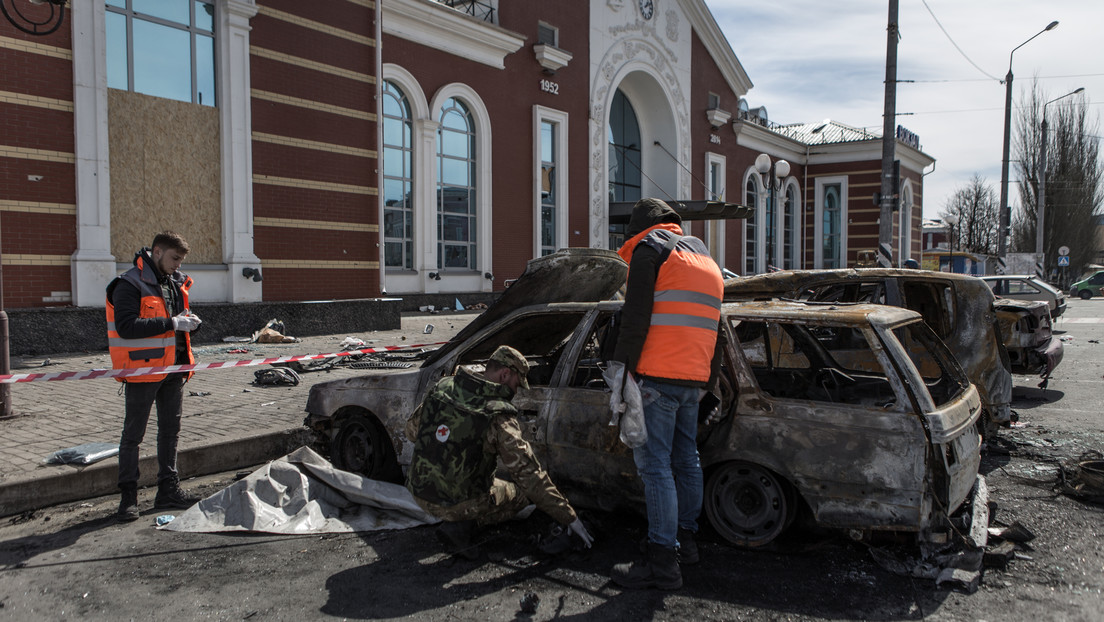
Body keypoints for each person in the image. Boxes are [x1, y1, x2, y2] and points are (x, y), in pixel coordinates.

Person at [609, 198, 724, 590]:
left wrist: (620, 374)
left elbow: (635, 317)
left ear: (638, 228)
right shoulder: (703, 257)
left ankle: (662, 562)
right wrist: (711, 381)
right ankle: (685, 542)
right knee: (686, 460)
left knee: (655, 467)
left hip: (656, 376)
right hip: (693, 378)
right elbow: (718, 329)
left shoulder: (649, 249)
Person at [405, 345, 594, 559]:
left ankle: (455, 514)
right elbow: (530, 476)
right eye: (517, 384)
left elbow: (411, 432)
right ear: (505, 375)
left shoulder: (444, 387)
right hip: (456, 504)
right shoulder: (498, 415)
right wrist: (569, 517)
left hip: (418, 492)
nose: (516, 391)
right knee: (521, 495)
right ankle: (461, 526)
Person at [106, 231, 203, 522]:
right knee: (133, 437)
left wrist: (190, 324)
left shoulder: (174, 282)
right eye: (174, 258)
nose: (177, 265)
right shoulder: (129, 284)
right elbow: (126, 326)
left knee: (170, 432)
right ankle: (128, 499)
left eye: (181, 260)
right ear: (157, 252)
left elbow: (174, 322)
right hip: (142, 370)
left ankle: (167, 491)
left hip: (173, 369)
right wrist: (173, 322)